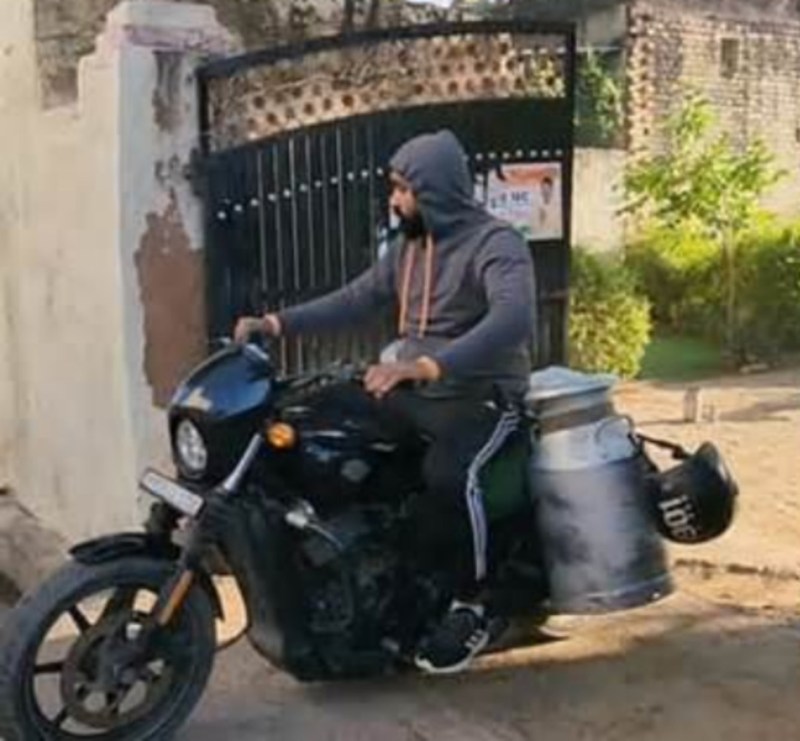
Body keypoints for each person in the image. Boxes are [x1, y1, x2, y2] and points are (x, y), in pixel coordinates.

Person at [235, 130, 536, 674]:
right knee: (316, 424)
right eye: (392, 189)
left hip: (482, 396)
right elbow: (356, 299)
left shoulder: (497, 244)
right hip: (414, 390)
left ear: (436, 190)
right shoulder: (409, 251)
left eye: (402, 189)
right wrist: (275, 324)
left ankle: (472, 605)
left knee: (452, 476)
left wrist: (425, 365)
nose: (394, 201)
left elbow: (512, 320)